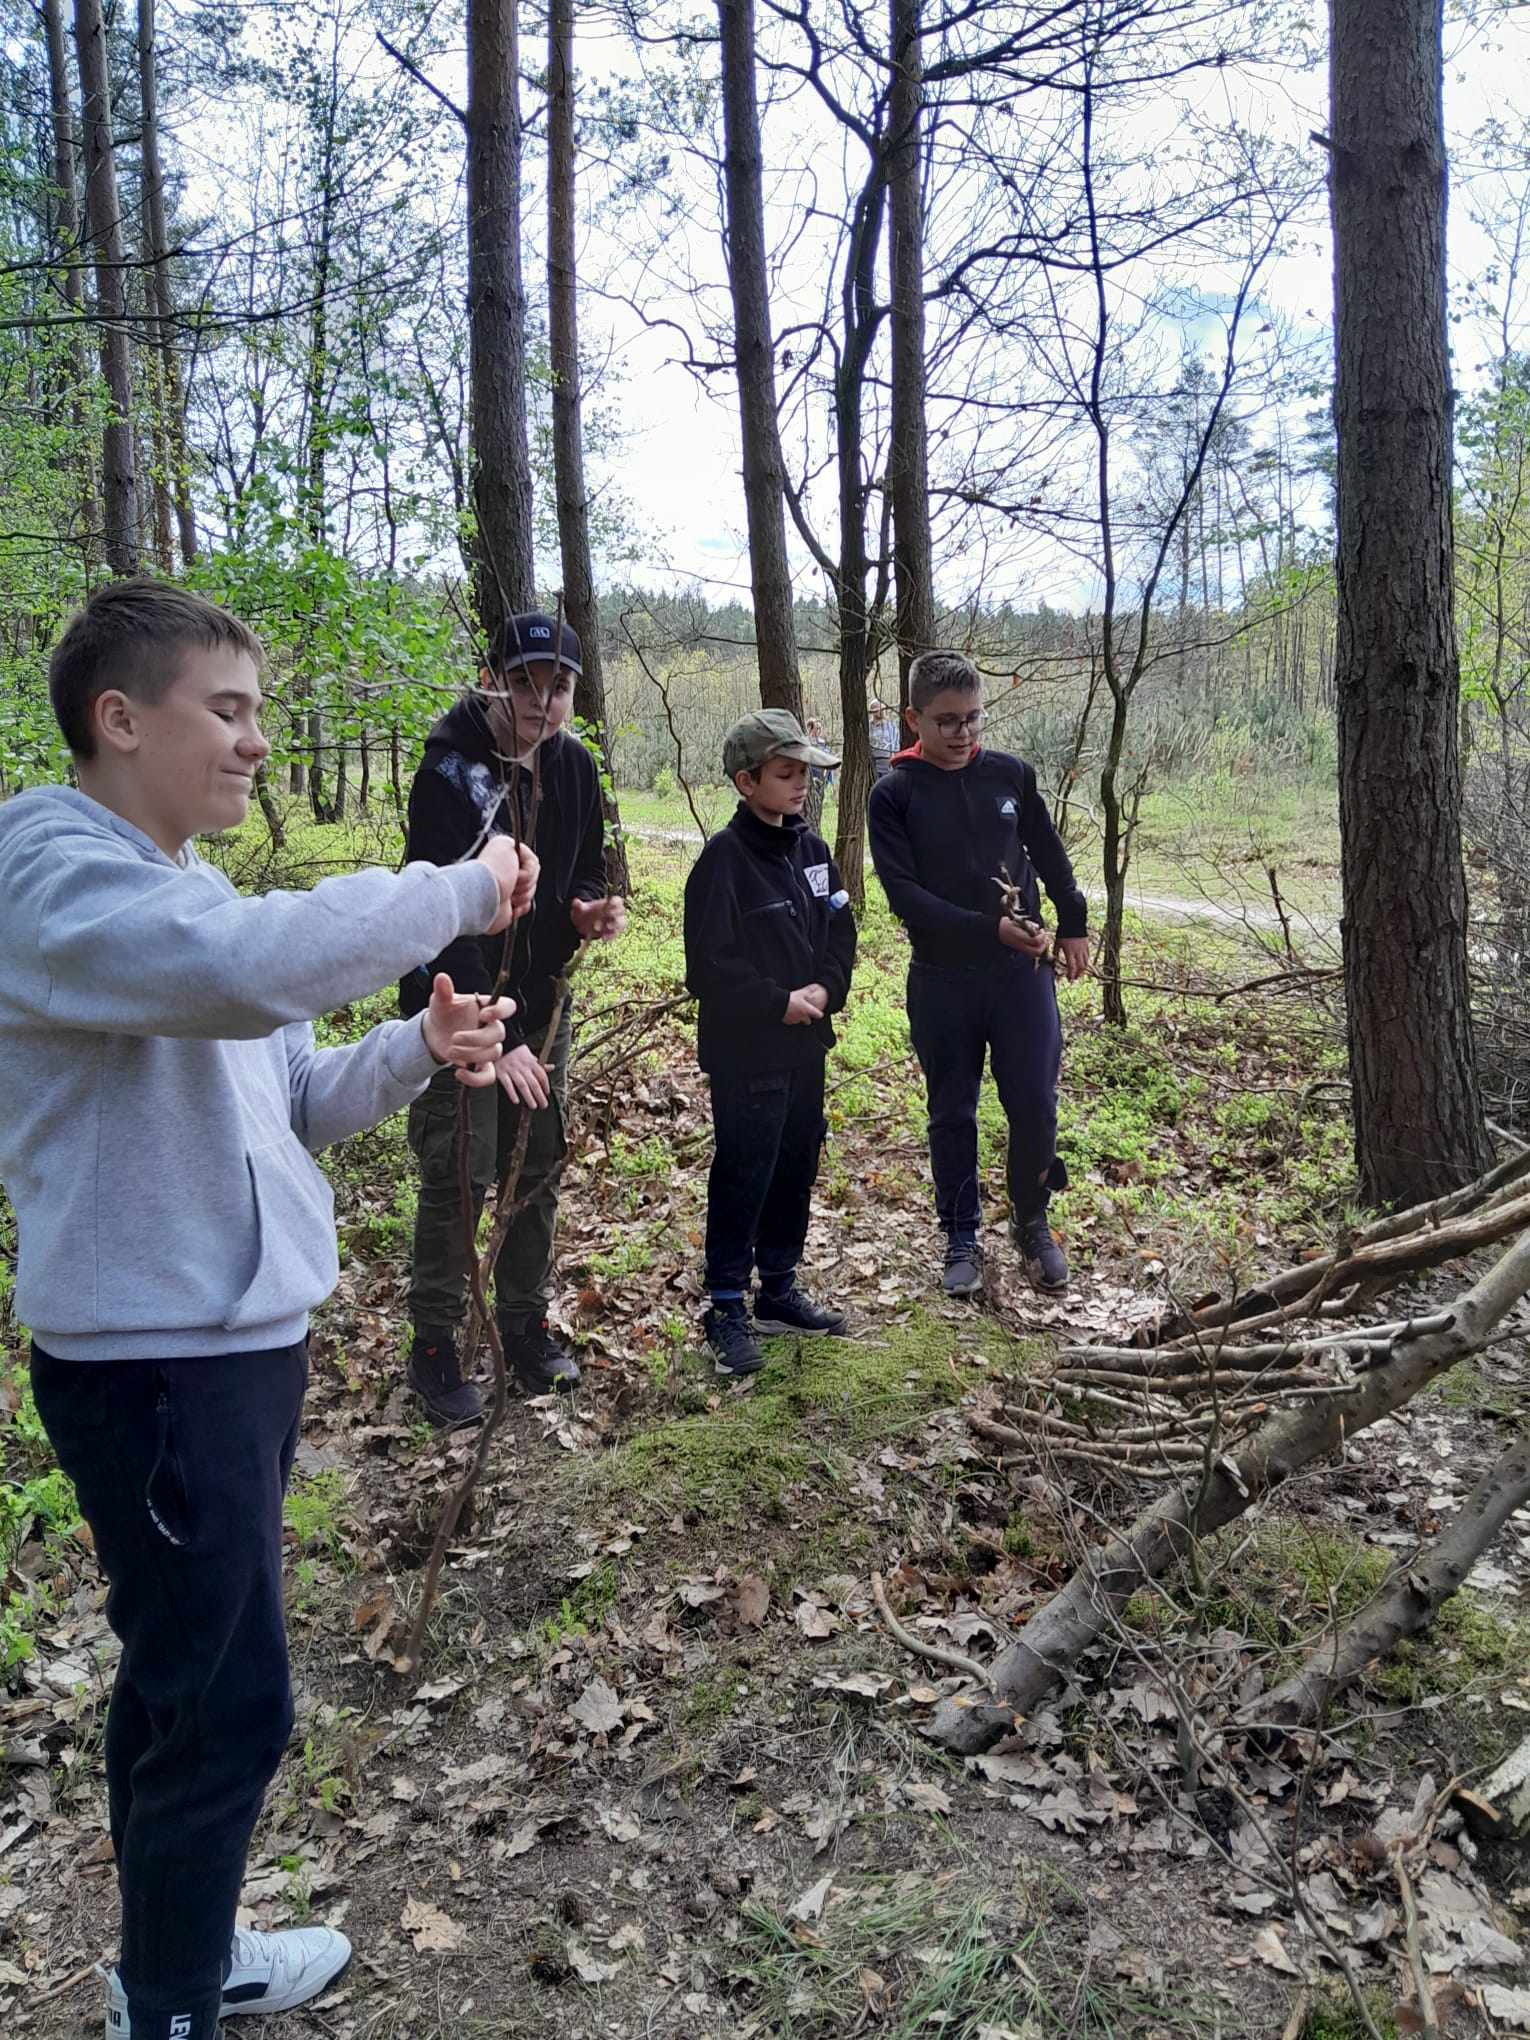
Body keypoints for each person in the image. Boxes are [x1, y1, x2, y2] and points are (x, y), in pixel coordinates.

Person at [0, 578, 537, 2040]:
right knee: (223, 1705)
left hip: (226, 1353)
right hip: (158, 1368)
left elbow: (293, 1097)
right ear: (118, 720)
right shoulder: (47, 870)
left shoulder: (184, 895)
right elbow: (246, 979)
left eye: (259, 717)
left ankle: (182, 1953)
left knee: (189, 1682)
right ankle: (171, 2003)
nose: (253, 745)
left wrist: (416, 1047)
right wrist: (457, 888)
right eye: (224, 713)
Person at [401, 611, 625, 1425]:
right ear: (493, 677)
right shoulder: (452, 772)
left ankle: (524, 1325)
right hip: (455, 1004)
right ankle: (434, 1348)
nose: (542, 700)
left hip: (538, 996)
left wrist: (585, 912)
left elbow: (581, 873)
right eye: (526, 680)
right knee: (462, 1169)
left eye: (558, 685)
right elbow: (435, 914)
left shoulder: (569, 767)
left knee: (538, 1159)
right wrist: (499, 1037)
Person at [867, 649, 1089, 1299]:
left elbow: (1048, 853)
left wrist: (1071, 921)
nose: (964, 734)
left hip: (1020, 978)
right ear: (914, 720)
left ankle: (1032, 1218)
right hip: (941, 980)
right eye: (947, 722)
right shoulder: (895, 793)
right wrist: (985, 927)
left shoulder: (1010, 776)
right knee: (952, 1111)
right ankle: (961, 1234)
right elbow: (905, 896)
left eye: (973, 718)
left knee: (1035, 1104)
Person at [683, 709, 857, 1377]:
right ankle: (726, 1302)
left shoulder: (812, 852)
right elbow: (710, 966)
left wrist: (823, 991)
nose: (801, 787)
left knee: (794, 1164)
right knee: (745, 1169)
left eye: (806, 775)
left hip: (806, 1045)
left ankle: (778, 1287)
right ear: (745, 780)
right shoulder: (724, 863)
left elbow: (841, 928)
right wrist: (776, 1002)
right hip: (746, 1052)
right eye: (786, 774)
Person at [868, 700, 899, 782]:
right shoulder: (869, 727)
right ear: (873, 711)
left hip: (888, 764)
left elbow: (896, 743)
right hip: (874, 764)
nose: (882, 711)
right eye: (878, 709)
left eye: (883, 709)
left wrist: (894, 756)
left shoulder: (891, 726)